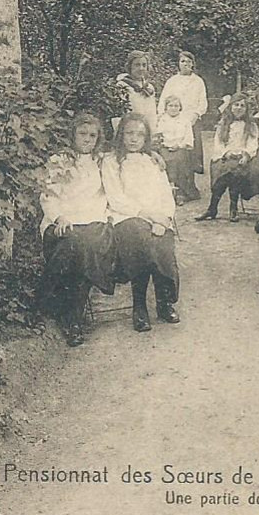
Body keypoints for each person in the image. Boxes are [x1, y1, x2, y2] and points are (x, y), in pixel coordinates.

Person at [38, 112, 117, 348]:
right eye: (82, 134)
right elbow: (48, 195)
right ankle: (71, 315)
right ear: (72, 135)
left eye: (93, 135)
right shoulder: (59, 160)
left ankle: (65, 311)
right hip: (63, 223)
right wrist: (59, 216)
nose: (87, 140)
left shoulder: (104, 161)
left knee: (86, 246)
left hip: (94, 223)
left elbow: (132, 158)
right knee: (77, 246)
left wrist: (155, 156)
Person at [101, 114, 180, 333]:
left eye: (140, 134)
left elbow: (166, 194)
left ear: (146, 138)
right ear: (121, 135)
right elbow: (116, 197)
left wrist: (164, 219)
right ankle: (140, 306)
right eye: (129, 133)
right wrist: (148, 216)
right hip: (126, 216)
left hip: (157, 217)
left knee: (162, 242)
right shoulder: (111, 161)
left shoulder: (152, 161)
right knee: (140, 239)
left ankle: (165, 302)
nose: (134, 139)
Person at [195, 93, 258, 223]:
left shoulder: (250, 125)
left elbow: (253, 143)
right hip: (225, 156)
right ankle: (214, 208)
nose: (239, 108)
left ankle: (229, 208)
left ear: (246, 109)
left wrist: (246, 154)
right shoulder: (223, 124)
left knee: (234, 171)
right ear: (230, 107)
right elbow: (218, 143)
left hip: (242, 158)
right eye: (236, 105)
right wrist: (226, 152)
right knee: (223, 170)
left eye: (242, 106)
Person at [157, 51, 208, 176]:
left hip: (191, 119)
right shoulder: (172, 81)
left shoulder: (198, 81)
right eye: (183, 61)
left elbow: (203, 101)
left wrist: (196, 115)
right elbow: (164, 99)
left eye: (188, 61)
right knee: (172, 149)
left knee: (189, 151)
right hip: (172, 117)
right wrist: (162, 116)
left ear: (192, 64)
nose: (185, 64)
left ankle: (189, 180)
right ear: (178, 64)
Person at [155, 94, 199, 204]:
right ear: (166, 107)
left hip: (180, 147)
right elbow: (157, 136)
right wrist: (164, 144)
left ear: (180, 107)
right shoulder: (161, 120)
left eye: (176, 106)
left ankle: (180, 193)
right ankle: (166, 192)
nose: (173, 108)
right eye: (171, 106)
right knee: (163, 160)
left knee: (179, 160)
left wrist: (179, 145)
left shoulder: (185, 121)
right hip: (164, 147)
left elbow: (189, 139)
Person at [116, 50, 158, 135]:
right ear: (130, 66)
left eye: (144, 65)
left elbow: (152, 115)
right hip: (130, 130)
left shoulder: (149, 87)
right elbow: (122, 113)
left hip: (146, 130)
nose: (141, 68)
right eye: (137, 65)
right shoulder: (122, 85)